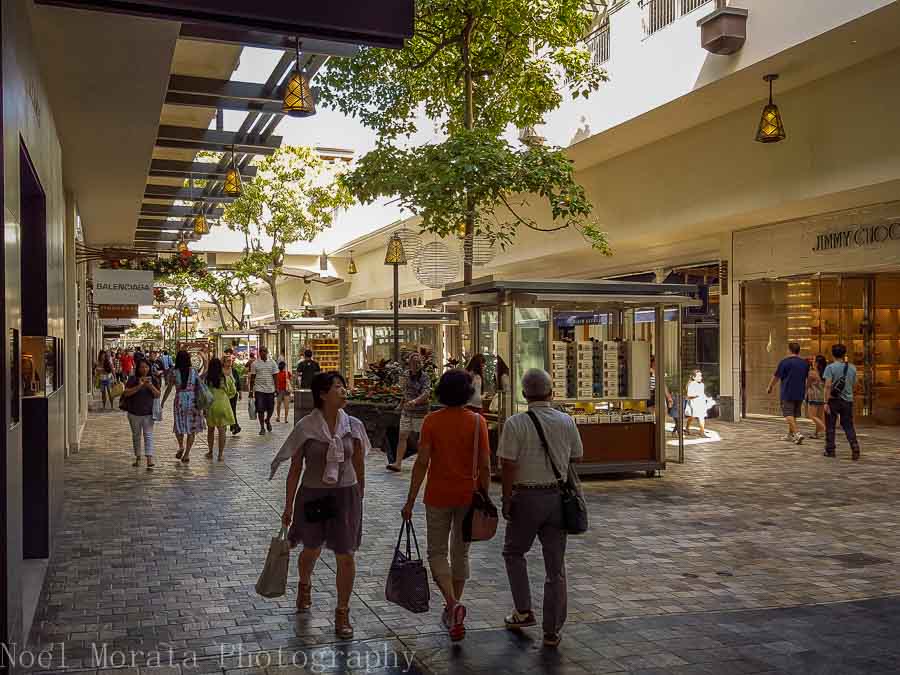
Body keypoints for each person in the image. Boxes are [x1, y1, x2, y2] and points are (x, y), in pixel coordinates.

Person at [270, 372, 369, 640]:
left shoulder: (353, 426)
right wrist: (288, 506)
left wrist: (361, 490)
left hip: (345, 496)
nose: (344, 391)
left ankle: (342, 612)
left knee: (346, 554)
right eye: (338, 387)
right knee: (311, 549)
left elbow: (359, 460)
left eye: (343, 386)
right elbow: (294, 469)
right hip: (313, 495)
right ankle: (305, 585)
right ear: (323, 394)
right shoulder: (306, 427)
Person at [401, 370, 490, 642]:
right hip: (468, 495)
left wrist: (410, 499)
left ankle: (451, 604)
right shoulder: (478, 423)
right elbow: (485, 466)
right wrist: (484, 496)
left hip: (437, 495)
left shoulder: (431, 422)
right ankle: (454, 609)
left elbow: (422, 462)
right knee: (460, 553)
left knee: (436, 552)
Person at [499, 369, 583, 649]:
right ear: (552, 392)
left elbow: (507, 465)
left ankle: (523, 611)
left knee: (513, 552)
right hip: (558, 498)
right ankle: (552, 630)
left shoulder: (514, 423)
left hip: (525, 497)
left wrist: (507, 497)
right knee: (555, 567)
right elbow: (577, 456)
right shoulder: (566, 420)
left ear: (524, 394)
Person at [387, 353, 431, 472]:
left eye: (418, 362)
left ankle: (425, 461)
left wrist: (415, 401)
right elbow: (405, 392)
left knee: (421, 439)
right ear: (410, 363)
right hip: (407, 411)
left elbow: (426, 393)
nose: (416, 364)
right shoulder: (406, 375)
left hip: (420, 412)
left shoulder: (425, 377)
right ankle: (398, 463)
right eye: (413, 362)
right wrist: (400, 405)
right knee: (402, 435)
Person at [161, 350, 206, 462]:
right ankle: (186, 454)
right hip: (192, 401)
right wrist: (205, 360)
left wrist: (162, 402)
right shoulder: (194, 371)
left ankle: (181, 446)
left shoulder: (174, 372)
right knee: (191, 428)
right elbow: (202, 377)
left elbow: (169, 388)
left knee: (179, 426)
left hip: (179, 401)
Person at [767, 342, 810, 444]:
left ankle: (797, 433)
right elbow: (808, 377)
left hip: (788, 391)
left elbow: (776, 376)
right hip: (800, 392)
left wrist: (770, 386)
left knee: (787, 414)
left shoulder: (785, 362)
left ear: (789, 350)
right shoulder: (804, 363)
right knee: (793, 414)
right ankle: (790, 435)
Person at [121, 357, 160, 469]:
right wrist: (139, 386)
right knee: (136, 435)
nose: (144, 369)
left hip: (148, 412)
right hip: (134, 413)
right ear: (138, 368)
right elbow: (126, 393)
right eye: (142, 367)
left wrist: (149, 386)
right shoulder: (133, 379)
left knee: (148, 435)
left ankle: (149, 459)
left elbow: (157, 394)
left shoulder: (153, 379)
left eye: (146, 367)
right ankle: (138, 457)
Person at [823, 343, 860, 460]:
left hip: (833, 401)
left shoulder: (830, 368)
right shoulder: (852, 367)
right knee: (848, 425)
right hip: (847, 401)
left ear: (832, 354)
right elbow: (856, 385)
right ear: (844, 354)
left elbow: (828, 386)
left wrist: (825, 402)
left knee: (830, 425)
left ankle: (830, 450)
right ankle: (854, 446)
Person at [203, 357, 236, 462]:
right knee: (222, 431)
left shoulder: (207, 380)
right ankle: (221, 454)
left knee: (211, 430)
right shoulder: (226, 378)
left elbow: (204, 393)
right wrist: (225, 396)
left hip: (211, 406)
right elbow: (233, 392)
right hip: (223, 404)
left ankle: (210, 451)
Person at [250, 346, 279, 435]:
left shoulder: (272, 363)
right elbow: (252, 378)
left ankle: (268, 420)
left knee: (271, 408)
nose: (262, 353)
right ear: (259, 352)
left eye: (264, 351)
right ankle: (262, 427)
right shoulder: (255, 364)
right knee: (260, 408)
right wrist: (251, 391)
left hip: (270, 389)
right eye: (261, 351)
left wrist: (276, 388)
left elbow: (275, 377)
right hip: (259, 389)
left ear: (267, 352)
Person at [806, 355, 827, 440]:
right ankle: (816, 433)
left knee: (812, 416)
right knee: (819, 416)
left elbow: (807, 385)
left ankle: (825, 429)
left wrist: (804, 394)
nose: (812, 361)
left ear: (817, 363)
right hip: (822, 396)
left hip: (813, 396)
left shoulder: (812, 373)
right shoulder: (825, 372)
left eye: (814, 360)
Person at [684, 370, 711, 437]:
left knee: (701, 417)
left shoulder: (702, 384)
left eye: (701, 375)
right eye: (698, 376)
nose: (700, 377)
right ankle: (687, 428)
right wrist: (697, 395)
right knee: (692, 417)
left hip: (701, 403)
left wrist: (707, 398)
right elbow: (689, 395)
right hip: (693, 403)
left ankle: (702, 432)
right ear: (693, 377)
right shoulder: (691, 384)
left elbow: (702, 393)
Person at [223, 349, 242, 436]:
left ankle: (234, 426)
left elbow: (238, 382)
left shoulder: (234, 371)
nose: (229, 362)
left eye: (230, 361)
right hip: (224, 395)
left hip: (233, 394)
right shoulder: (221, 371)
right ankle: (232, 426)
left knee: (232, 410)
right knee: (226, 411)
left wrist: (240, 393)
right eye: (227, 361)